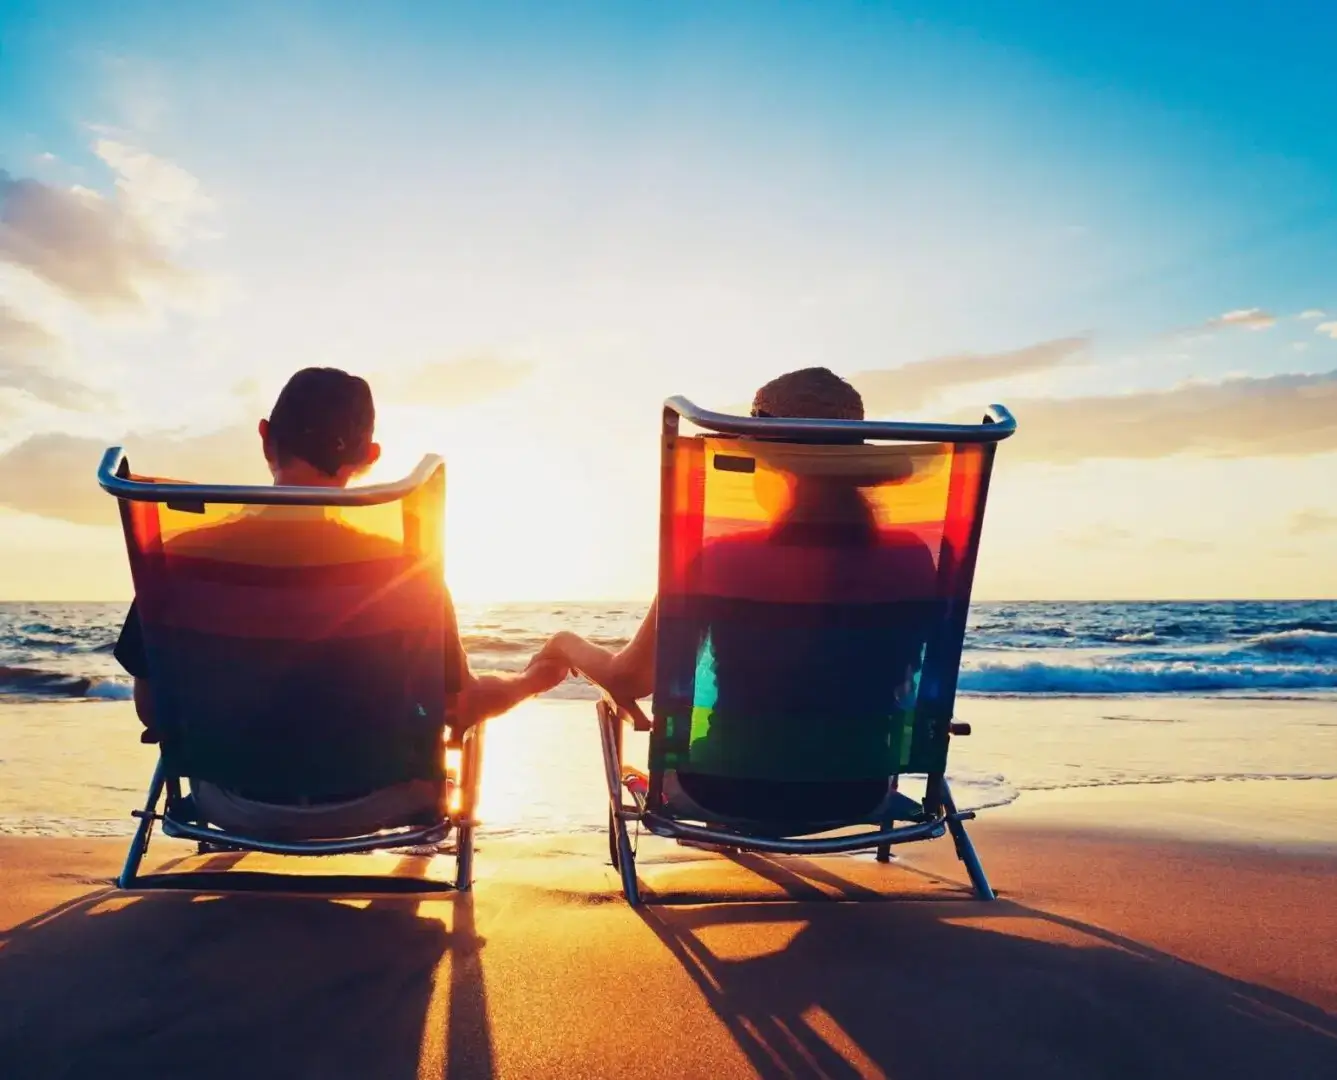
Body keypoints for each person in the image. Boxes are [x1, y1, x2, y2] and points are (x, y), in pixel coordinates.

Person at [114, 367, 566, 837]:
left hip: (228, 803)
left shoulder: (182, 558)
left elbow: (153, 708)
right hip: (377, 802)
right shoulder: (404, 569)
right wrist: (530, 680)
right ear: (369, 457)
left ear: (266, 438)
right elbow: (458, 706)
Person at [536, 367, 937, 820]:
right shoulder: (914, 557)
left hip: (723, 791)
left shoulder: (721, 558)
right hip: (858, 792)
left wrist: (564, 643)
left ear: (765, 463)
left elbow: (631, 682)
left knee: (638, 754)